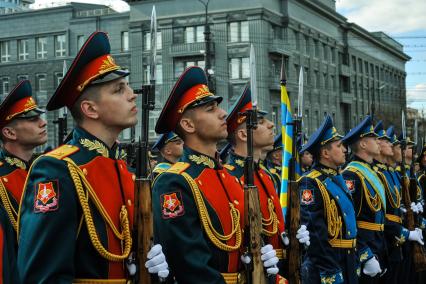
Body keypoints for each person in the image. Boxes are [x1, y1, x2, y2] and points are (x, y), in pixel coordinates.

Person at [17, 31, 168, 282]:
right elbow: (45, 276)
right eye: (119, 90)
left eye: (127, 87)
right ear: (90, 109)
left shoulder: (123, 169)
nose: (132, 94)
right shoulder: (59, 169)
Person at [152, 67, 280, 284]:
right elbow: (191, 266)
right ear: (188, 124)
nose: (222, 114)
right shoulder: (175, 182)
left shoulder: (229, 178)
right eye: (211, 109)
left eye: (218, 107)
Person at [223, 85, 310, 278]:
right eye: (261, 121)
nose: (271, 125)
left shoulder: (264, 174)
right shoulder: (230, 177)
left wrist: (294, 241)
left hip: (281, 268)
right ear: (244, 134)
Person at [299, 114, 358, 284]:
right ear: (325, 153)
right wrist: (330, 269)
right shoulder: (310, 182)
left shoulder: (336, 178)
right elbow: (315, 231)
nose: (345, 150)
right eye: (339, 146)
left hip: (347, 260)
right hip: (328, 265)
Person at [0, 80, 47, 283]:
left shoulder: (40, 170)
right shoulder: (2, 181)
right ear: (9, 133)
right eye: (32, 119)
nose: (43, 122)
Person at [372, 121, 423, 284]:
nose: (401, 149)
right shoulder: (377, 173)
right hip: (389, 237)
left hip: (400, 233)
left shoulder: (392, 173)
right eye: (397, 145)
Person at [341, 115, 387, 283]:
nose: (379, 142)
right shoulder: (351, 174)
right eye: (374, 138)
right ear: (363, 144)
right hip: (366, 245)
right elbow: (349, 220)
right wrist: (365, 254)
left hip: (378, 242)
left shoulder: (370, 171)